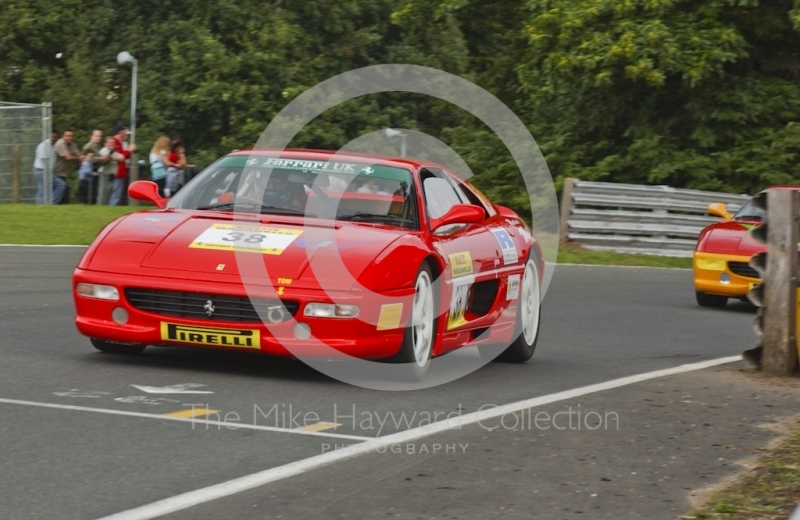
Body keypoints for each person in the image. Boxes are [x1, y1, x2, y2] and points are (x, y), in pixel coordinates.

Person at [78, 129, 108, 204]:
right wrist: (101, 158)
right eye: (97, 136)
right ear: (91, 136)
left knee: (94, 191)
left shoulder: (98, 146)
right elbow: (88, 158)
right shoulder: (88, 146)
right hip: (89, 172)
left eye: (100, 136)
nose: (99, 138)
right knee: (89, 192)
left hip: (95, 170)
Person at [109, 124, 136, 206]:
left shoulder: (120, 143)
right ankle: (112, 207)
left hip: (121, 172)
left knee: (118, 194)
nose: (125, 133)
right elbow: (121, 157)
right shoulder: (114, 142)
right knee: (116, 194)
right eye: (124, 131)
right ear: (120, 132)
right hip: (117, 172)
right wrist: (129, 150)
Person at [53, 129, 82, 204]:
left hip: (62, 173)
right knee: (62, 188)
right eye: (68, 136)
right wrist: (78, 159)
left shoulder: (71, 144)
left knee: (65, 194)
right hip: (54, 172)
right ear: (63, 136)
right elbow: (67, 157)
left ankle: (59, 208)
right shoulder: (60, 143)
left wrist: (81, 159)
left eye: (71, 136)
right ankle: (51, 204)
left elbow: (78, 154)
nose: (70, 137)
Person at [98, 136, 125, 204]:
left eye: (112, 143)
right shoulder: (103, 150)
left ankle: (106, 207)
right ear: (105, 144)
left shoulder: (113, 152)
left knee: (110, 192)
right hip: (104, 174)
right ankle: (100, 206)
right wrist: (115, 158)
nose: (111, 144)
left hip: (112, 175)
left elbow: (122, 158)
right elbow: (106, 157)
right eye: (109, 142)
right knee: (103, 192)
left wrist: (113, 158)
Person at [33, 131, 58, 204]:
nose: (53, 138)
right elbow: (44, 159)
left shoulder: (50, 146)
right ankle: (42, 203)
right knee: (42, 188)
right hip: (42, 170)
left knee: (42, 188)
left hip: (42, 170)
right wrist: (48, 172)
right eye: (52, 137)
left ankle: (42, 203)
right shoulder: (44, 145)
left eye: (55, 137)